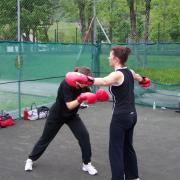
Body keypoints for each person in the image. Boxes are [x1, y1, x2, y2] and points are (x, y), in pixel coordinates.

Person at [24, 66, 109, 176]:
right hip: (57, 115)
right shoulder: (66, 84)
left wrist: (97, 97)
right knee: (45, 138)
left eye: (86, 83)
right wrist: (81, 98)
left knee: (84, 136)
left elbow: (88, 98)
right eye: (82, 83)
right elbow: (69, 105)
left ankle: (87, 164)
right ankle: (30, 159)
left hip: (72, 116)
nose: (84, 85)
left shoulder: (85, 85)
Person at [92, 46, 151, 180]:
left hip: (120, 118)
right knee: (127, 147)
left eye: (110, 55)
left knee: (115, 151)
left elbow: (104, 81)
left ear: (116, 59)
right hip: (132, 115)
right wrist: (144, 79)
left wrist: (85, 79)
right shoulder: (129, 71)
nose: (108, 57)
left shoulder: (117, 74)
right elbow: (139, 78)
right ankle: (134, 177)